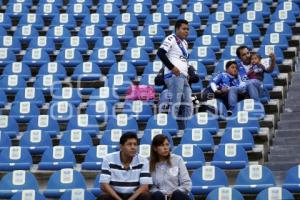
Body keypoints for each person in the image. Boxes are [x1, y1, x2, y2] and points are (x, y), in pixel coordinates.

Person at [157, 19, 192, 120]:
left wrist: (186, 72)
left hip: (183, 76)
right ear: (177, 29)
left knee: (188, 104)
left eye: (188, 29)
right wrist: (172, 68)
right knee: (175, 104)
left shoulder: (185, 43)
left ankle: (187, 130)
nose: (186, 31)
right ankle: (170, 126)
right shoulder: (171, 38)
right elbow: (160, 53)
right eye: (184, 29)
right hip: (175, 76)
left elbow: (182, 59)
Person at [99, 132, 152, 200]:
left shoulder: (143, 160)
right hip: (115, 194)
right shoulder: (108, 159)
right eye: (129, 144)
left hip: (134, 195)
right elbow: (104, 184)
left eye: (135, 144)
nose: (133, 147)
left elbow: (145, 186)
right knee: (103, 197)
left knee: (146, 196)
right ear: (121, 146)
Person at [150, 134, 192, 200]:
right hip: (160, 197)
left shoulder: (177, 159)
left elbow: (186, 183)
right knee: (157, 195)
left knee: (178, 194)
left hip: (177, 196)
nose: (165, 147)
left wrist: (173, 193)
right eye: (162, 145)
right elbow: (150, 187)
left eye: (167, 144)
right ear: (155, 148)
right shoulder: (149, 163)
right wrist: (162, 193)